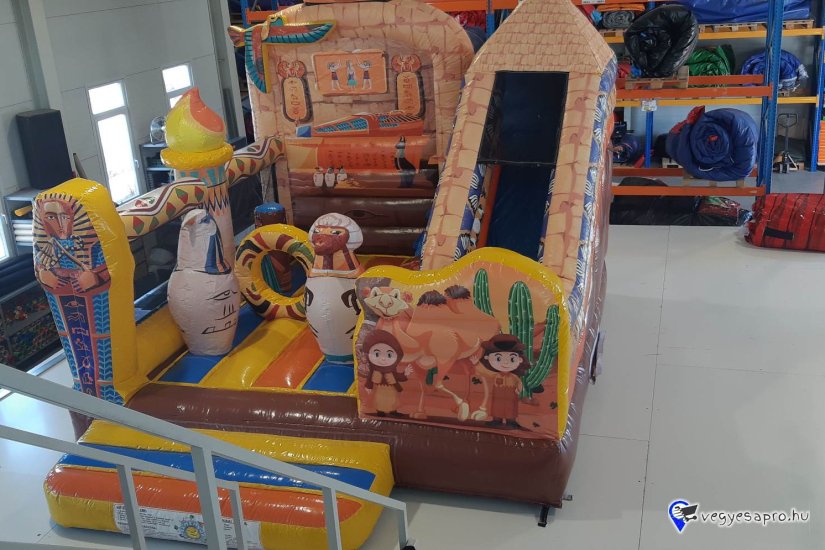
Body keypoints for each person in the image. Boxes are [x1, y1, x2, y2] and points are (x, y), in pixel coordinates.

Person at [476, 334, 530, 428]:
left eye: (512, 359)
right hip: (498, 395)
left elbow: (519, 383)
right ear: (488, 358)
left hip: (511, 395)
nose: (505, 362)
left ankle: (511, 421)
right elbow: (485, 372)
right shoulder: (496, 375)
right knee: (497, 407)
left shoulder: (514, 377)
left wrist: (518, 389)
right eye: (498, 358)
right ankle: (496, 420)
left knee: (511, 408)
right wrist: (476, 363)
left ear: (520, 359)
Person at [363, 329, 408, 417]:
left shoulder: (392, 370)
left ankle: (393, 410)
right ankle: (380, 411)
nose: (383, 359)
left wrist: (405, 373)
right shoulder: (374, 370)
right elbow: (369, 377)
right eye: (377, 354)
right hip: (379, 388)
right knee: (379, 399)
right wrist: (368, 386)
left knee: (393, 399)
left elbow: (397, 376)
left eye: (389, 355)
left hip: (391, 388)